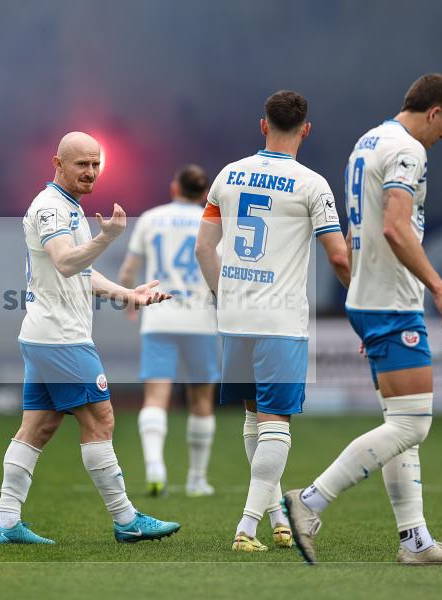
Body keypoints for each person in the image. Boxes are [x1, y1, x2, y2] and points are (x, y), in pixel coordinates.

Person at [283, 73, 442, 565]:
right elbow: (394, 226)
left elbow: (356, 231)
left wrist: (360, 299)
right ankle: (309, 501)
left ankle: (415, 541)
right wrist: (440, 290)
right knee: (413, 426)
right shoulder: (408, 150)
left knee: (400, 421)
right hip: (392, 300)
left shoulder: (367, 142)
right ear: (434, 112)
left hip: (372, 299)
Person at [0, 131, 180, 545]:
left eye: (96, 164)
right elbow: (64, 263)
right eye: (82, 164)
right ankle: (126, 519)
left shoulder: (69, 207)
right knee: (100, 419)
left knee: (37, 429)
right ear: (57, 163)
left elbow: (81, 272)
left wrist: (129, 294)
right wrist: (106, 237)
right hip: (61, 338)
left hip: (46, 336)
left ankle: (6, 522)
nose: (91, 172)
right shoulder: (50, 208)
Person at [195, 91, 351, 552]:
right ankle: (246, 528)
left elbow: (204, 249)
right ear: (306, 129)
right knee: (276, 421)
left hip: (236, 317)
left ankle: (278, 519)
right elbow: (338, 256)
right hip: (280, 319)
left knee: (254, 418)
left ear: (263, 125)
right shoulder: (312, 184)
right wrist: (362, 301)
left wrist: (224, 296)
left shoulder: (227, 175)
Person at [118, 165, 220, 497]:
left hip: (159, 319)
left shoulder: (151, 218)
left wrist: (130, 300)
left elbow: (128, 270)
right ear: (205, 193)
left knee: (155, 397)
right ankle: (197, 479)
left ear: (174, 187)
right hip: (200, 321)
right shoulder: (212, 221)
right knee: (201, 398)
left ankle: (154, 466)